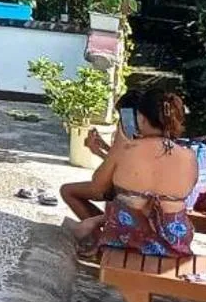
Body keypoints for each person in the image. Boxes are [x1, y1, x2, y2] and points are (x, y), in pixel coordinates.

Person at [61, 83, 197, 257]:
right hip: (175, 241)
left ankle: (97, 239)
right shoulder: (190, 157)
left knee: (121, 203)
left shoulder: (126, 149)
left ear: (141, 118)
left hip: (130, 239)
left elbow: (99, 187)